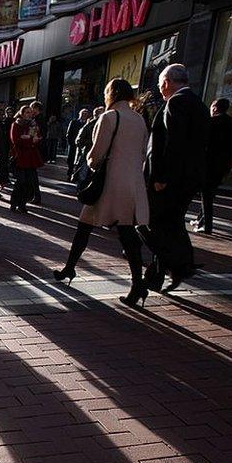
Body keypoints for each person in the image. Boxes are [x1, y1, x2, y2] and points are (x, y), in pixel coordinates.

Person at [52, 79, 150, 307]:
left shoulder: (109, 117)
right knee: (127, 234)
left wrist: (89, 163)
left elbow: (96, 155)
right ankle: (138, 284)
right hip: (132, 183)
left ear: (111, 94)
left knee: (84, 227)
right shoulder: (138, 118)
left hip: (109, 183)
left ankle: (69, 268)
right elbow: (144, 152)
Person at [142, 64, 210, 292]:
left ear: (167, 82)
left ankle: (179, 265)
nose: (160, 89)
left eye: (161, 83)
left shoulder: (177, 103)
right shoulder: (198, 104)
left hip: (170, 180)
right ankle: (159, 274)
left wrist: (161, 177)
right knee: (171, 224)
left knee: (150, 223)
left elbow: (173, 144)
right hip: (188, 178)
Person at [194, 98, 232, 234]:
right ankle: (201, 220)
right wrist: (231, 159)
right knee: (209, 192)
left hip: (208, 162)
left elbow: (200, 143)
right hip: (223, 164)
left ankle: (207, 224)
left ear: (215, 108)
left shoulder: (211, 123)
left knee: (206, 193)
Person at [9, 106, 44, 213]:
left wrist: (32, 139)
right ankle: (14, 203)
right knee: (21, 182)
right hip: (20, 157)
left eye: (30, 112)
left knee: (29, 183)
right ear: (22, 113)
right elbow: (16, 141)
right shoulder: (16, 124)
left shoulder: (33, 125)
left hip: (31, 158)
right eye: (27, 112)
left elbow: (37, 139)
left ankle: (22, 204)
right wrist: (29, 139)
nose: (29, 114)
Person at [74, 106, 104, 182]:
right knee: (83, 175)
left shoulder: (105, 126)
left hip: (99, 155)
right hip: (88, 153)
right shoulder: (89, 125)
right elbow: (79, 141)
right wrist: (90, 143)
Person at [66, 109, 92, 178]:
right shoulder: (74, 122)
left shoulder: (88, 124)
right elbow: (69, 133)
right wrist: (71, 142)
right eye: (83, 113)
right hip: (73, 145)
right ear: (79, 114)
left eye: (86, 114)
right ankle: (70, 173)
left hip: (82, 146)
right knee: (71, 159)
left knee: (80, 160)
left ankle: (76, 174)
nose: (84, 115)